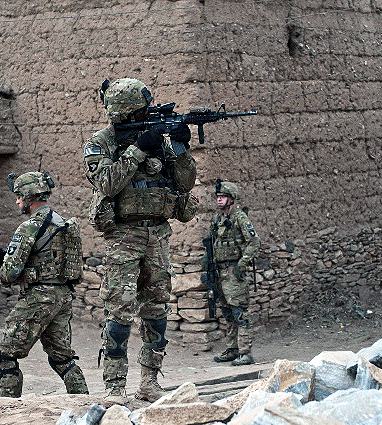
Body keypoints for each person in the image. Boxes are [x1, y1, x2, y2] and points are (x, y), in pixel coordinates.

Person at [83, 78, 197, 403]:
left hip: (158, 234)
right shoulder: (101, 143)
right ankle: (115, 388)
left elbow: (186, 182)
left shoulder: (158, 142)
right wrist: (138, 148)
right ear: (128, 114)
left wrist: (181, 148)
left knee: (157, 309)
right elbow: (106, 183)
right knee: (119, 313)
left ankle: (149, 381)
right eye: (143, 111)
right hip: (124, 236)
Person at [0, 171, 88, 398]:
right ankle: (86, 403)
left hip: (39, 297)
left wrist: (0, 274)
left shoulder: (29, 228)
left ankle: (6, 409)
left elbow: (10, 272)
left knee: (5, 356)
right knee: (62, 359)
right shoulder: (61, 222)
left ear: (29, 196)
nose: (17, 201)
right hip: (62, 296)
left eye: (19, 196)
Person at [208, 179, 260, 366]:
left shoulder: (240, 218)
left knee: (239, 313)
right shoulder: (217, 219)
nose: (219, 200)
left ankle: (245, 353)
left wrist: (242, 264)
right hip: (219, 272)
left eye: (223, 197)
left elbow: (254, 242)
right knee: (228, 313)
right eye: (218, 197)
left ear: (232, 199)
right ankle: (232, 349)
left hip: (233, 272)